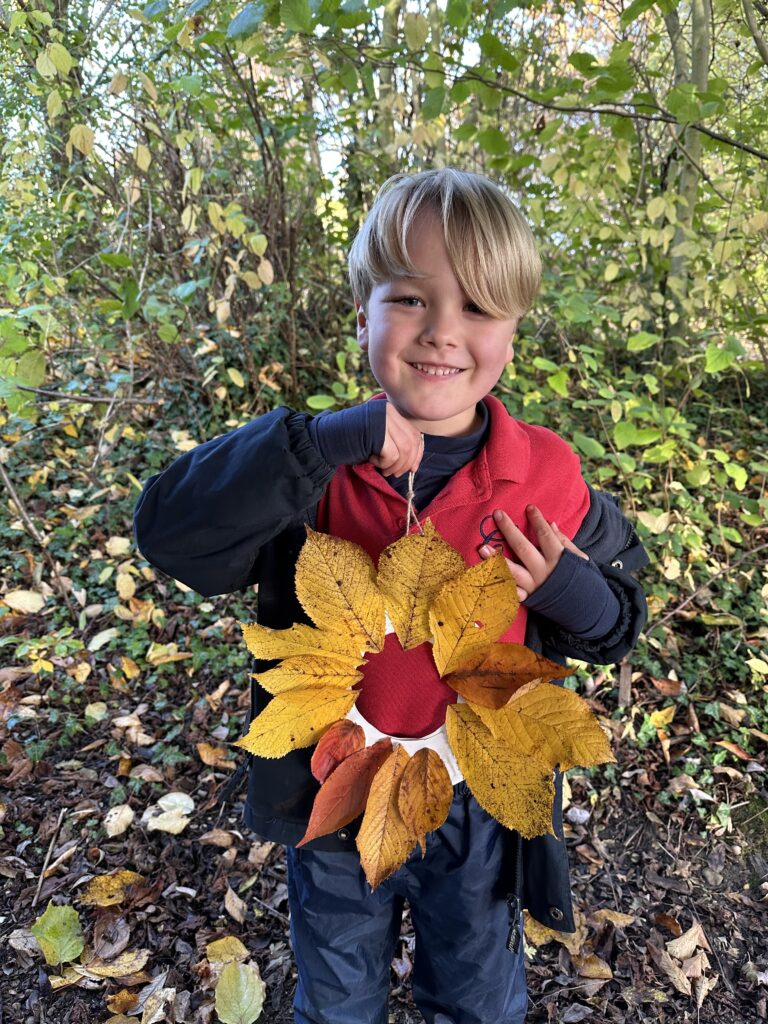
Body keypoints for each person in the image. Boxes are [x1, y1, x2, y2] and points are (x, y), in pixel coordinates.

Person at [134, 168, 647, 1024]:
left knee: (479, 996)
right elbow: (169, 533)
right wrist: (318, 443)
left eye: (479, 308)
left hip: (480, 807)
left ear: (515, 332)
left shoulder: (544, 475)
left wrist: (568, 588)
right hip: (336, 790)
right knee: (338, 995)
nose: (444, 332)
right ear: (364, 312)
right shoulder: (313, 466)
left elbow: (619, 618)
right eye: (410, 298)